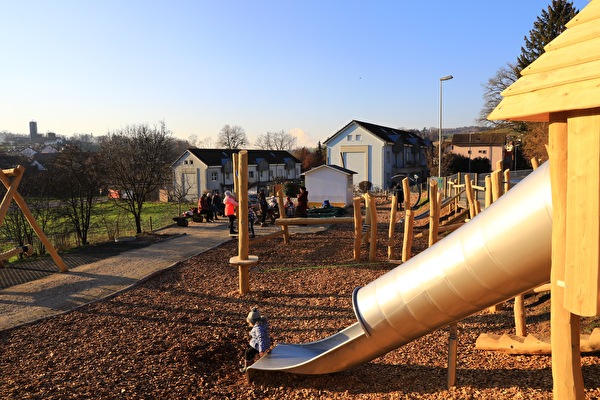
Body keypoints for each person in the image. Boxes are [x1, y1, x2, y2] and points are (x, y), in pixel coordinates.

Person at [240, 307, 271, 373]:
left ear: (252, 321)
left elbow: (261, 338)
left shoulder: (258, 328)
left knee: (247, 353)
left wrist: (261, 350)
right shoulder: (262, 323)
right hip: (262, 343)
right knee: (250, 351)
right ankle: (250, 364)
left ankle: (247, 368)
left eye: (250, 323)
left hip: (259, 345)